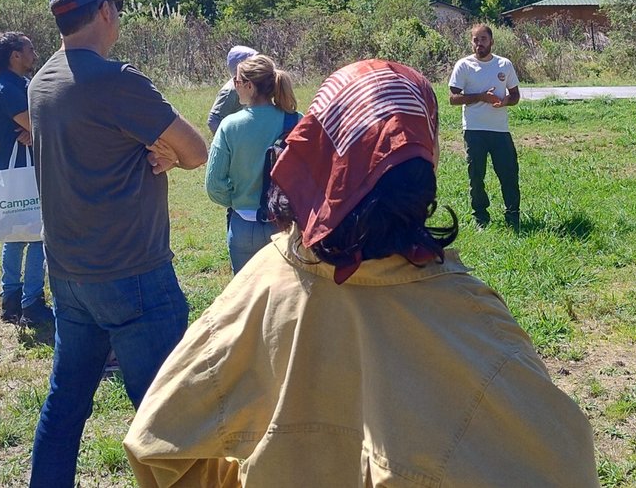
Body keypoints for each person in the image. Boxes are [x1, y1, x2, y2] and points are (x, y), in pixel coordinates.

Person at [124, 59, 601, 488]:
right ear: (424, 166)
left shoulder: (263, 280)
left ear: (319, 151)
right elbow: (564, 466)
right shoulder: (474, 318)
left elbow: (156, 445)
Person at [27, 0, 210, 488]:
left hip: (70, 275)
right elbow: (196, 151)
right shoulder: (116, 80)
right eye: (118, 7)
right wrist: (170, 156)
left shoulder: (41, 81)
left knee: (66, 403)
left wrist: (159, 153)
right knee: (166, 411)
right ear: (105, 11)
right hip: (132, 273)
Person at [204, 54, 299, 273]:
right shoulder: (296, 121)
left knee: (246, 291)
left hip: (244, 228)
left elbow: (214, 186)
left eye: (236, 81)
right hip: (287, 226)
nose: (234, 86)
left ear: (249, 86)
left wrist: (239, 201)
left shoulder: (229, 126)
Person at [0, 30, 52, 329]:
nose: (34, 54)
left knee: (15, 235)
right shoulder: (7, 89)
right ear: (15, 56)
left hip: (15, 169)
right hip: (21, 169)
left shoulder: (15, 84)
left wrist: (36, 130)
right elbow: (38, 125)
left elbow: (36, 126)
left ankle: (11, 301)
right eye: (30, 49)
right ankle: (31, 304)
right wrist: (37, 130)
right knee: (36, 235)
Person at [448, 23, 522, 229]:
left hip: (500, 130)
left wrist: (506, 101)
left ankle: (513, 216)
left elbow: (515, 95)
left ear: (491, 41)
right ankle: (481, 217)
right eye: (476, 40)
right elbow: (453, 98)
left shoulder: (504, 64)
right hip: (474, 130)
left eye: (483, 39)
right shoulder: (464, 65)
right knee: (476, 176)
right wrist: (481, 97)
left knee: (509, 174)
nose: (479, 43)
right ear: (471, 43)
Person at [207, 44, 258, 133]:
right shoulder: (230, 92)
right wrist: (228, 138)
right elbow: (213, 120)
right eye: (253, 63)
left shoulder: (251, 85)